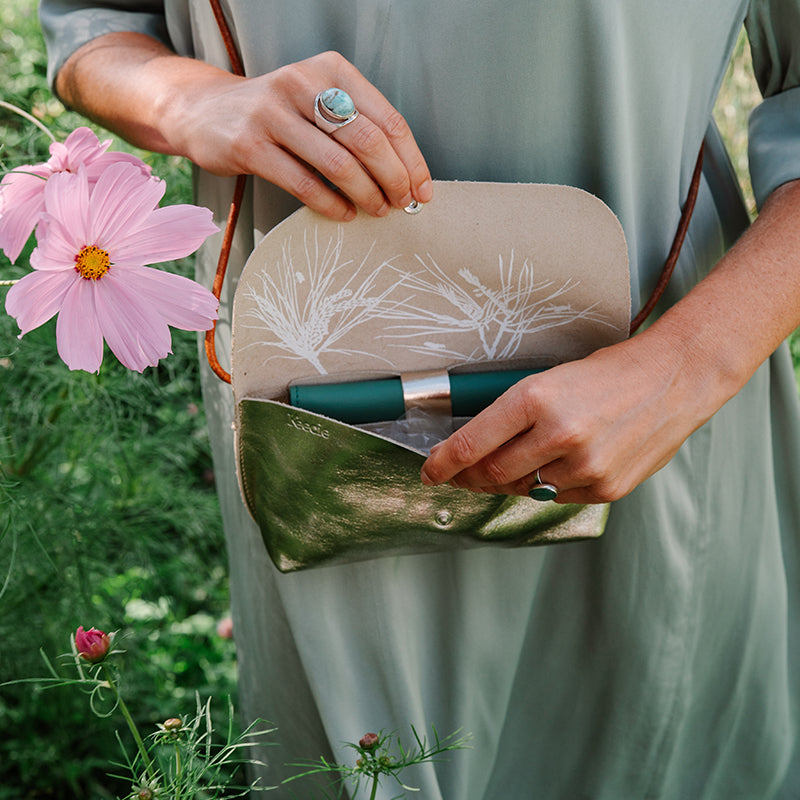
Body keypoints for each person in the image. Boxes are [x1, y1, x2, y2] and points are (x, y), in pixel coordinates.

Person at [39, 1, 800, 797]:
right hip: (306, 427)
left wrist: (686, 367)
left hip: (655, 407)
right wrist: (183, 97)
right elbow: (95, 24)